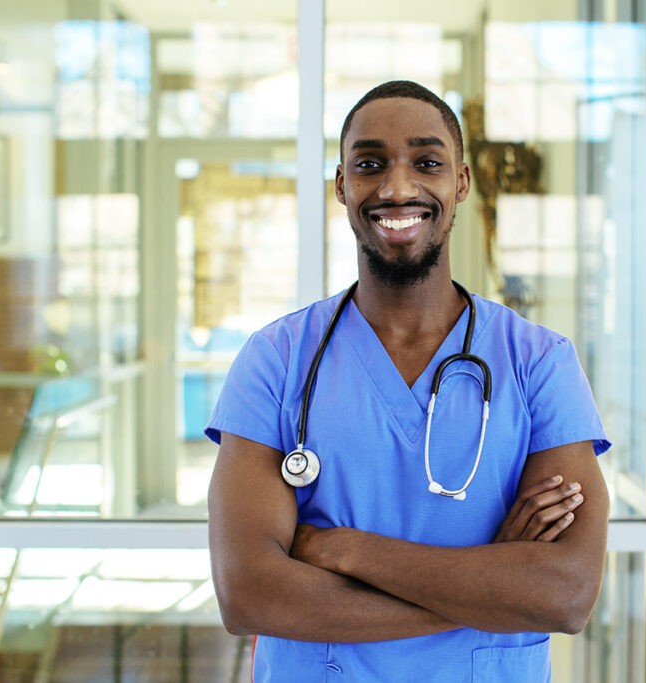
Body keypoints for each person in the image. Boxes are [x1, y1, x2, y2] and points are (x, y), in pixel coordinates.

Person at [206, 80, 610, 682]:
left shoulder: (538, 362)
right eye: (369, 164)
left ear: (462, 182)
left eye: (427, 163)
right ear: (342, 186)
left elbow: (565, 595)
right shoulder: (276, 359)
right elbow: (249, 595)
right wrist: (486, 585)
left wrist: (344, 549)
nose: (397, 187)